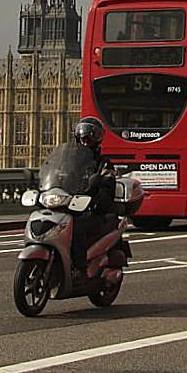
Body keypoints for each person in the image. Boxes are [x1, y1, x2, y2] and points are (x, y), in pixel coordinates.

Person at [41, 117, 116, 275]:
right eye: (83, 139)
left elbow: (107, 190)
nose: (86, 142)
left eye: (90, 139)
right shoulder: (68, 161)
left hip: (91, 209)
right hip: (70, 204)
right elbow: (56, 176)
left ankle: (80, 268)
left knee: (77, 226)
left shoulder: (104, 164)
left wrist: (97, 199)